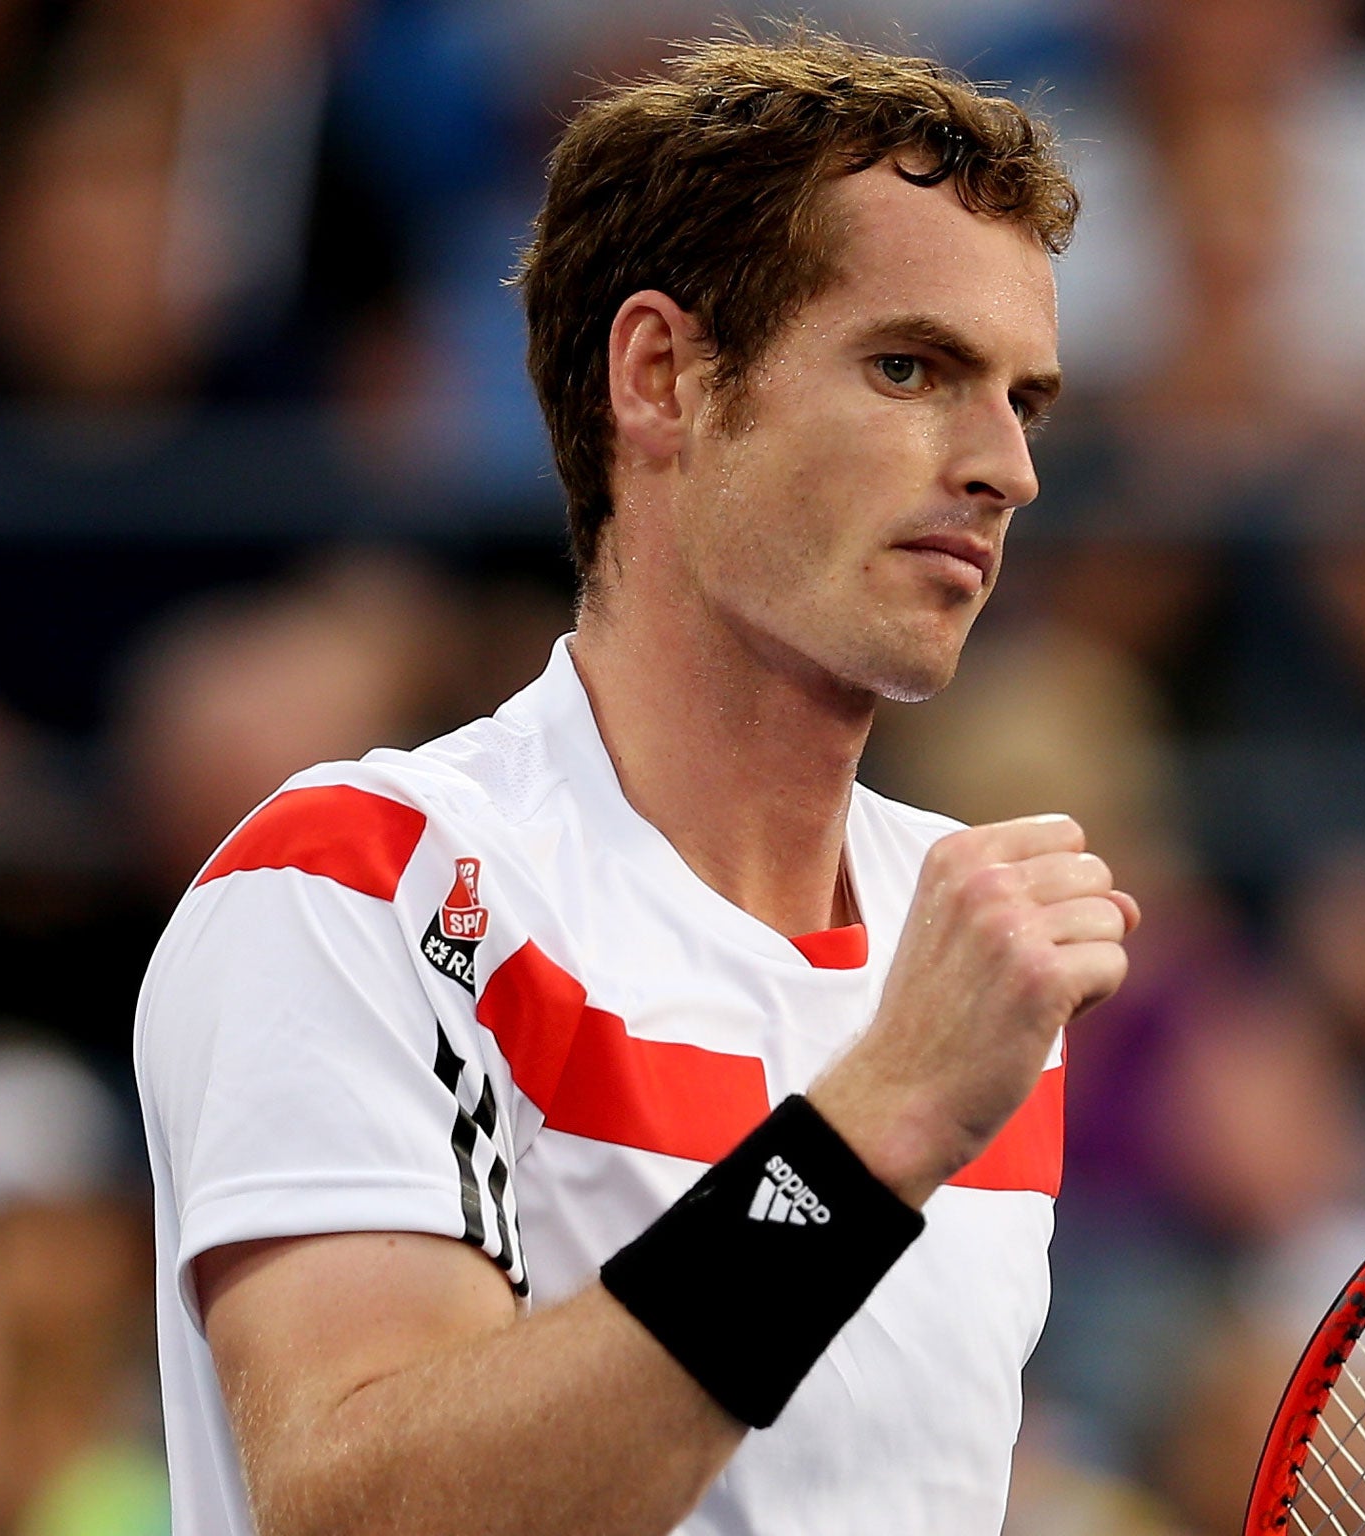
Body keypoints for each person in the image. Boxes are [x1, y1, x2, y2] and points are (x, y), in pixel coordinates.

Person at [134, 31, 1137, 1536]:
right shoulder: (362, 884)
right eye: (911, 367)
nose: (1006, 467)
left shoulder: (978, 954)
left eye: (1025, 400)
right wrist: (880, 1125)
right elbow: (363, 1511)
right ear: (662, 376)